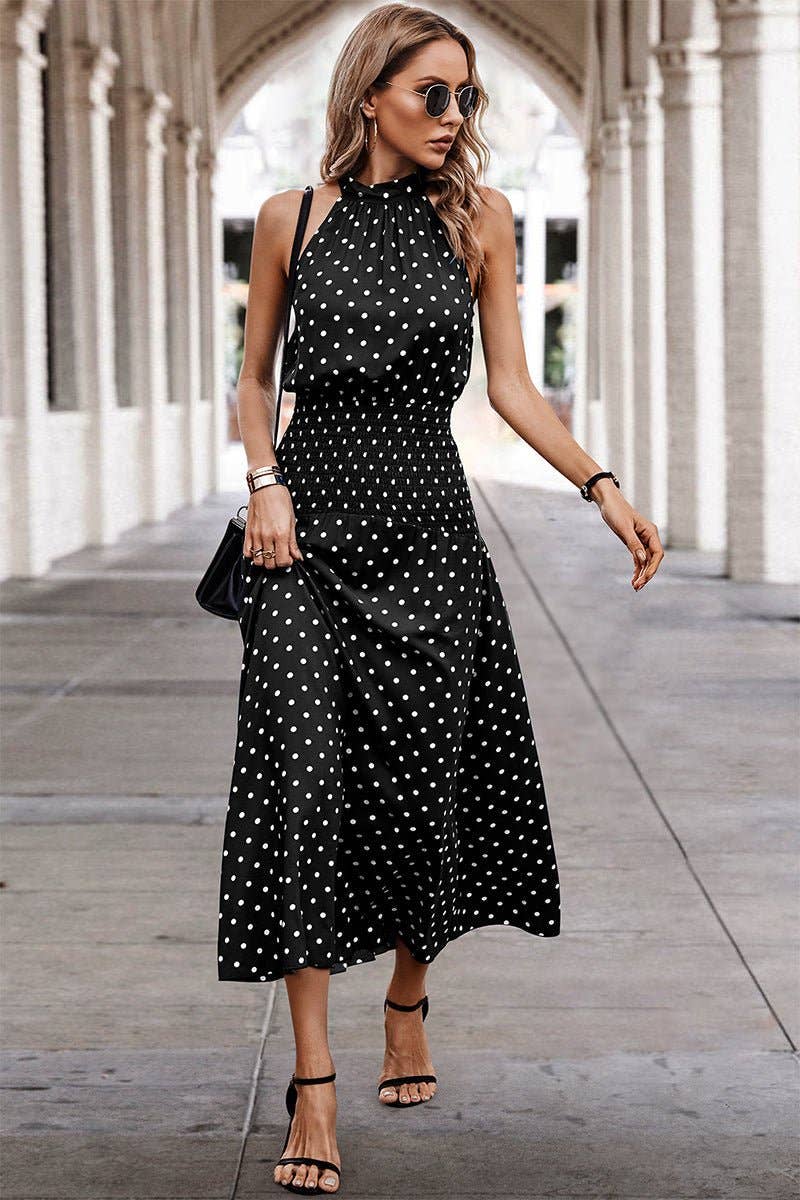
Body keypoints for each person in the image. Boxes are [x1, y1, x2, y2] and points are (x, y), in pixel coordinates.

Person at [216, 4, 665, 1194]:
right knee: (303, 787)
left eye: (465, 97)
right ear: (369, 94)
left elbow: (510, 387)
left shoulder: (479, 221)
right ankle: (312, 1081)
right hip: (303, 539)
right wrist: (262, 482)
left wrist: (598, 482)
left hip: (428, 534)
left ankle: (407, 995)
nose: (452, 116)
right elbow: (252, 379)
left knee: (426, 779)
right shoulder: (289, 219)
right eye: (430, 93)